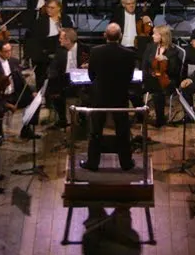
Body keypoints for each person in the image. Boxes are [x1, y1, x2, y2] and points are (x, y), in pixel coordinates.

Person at [82, 24, 138, 172]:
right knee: (122, 130)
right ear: (120, 36)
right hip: (120, 96)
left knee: (96, 130)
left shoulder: (95, 51)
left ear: (105, 35)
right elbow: (130, 77)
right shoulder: (129, 53)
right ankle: (126, 163)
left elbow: (91, 75)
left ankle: (92, 163)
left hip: (100, 96)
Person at [141, 25, 185, 128]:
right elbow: (144, 64)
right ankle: (140, 116)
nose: (152, 36)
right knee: (135, 89)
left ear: (162, 36)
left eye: (155, 34)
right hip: (151, 77)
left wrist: (166, 61)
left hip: (167, 79)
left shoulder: (173, 51)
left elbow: (175, 72)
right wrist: (145, 76)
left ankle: (160, 120)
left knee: (157, 91)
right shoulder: (150, 47)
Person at [47, 27, 87, 128]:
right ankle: (62, 119)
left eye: (61, 38)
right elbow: (53, 66)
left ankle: (82, 118)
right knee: (53, 89)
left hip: (81, 78)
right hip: (65, 78)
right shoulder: (60, 50)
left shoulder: (85, 49)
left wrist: (86, 66)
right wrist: (52, 75)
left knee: (85, 94)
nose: (59, 40)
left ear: (68, 40)